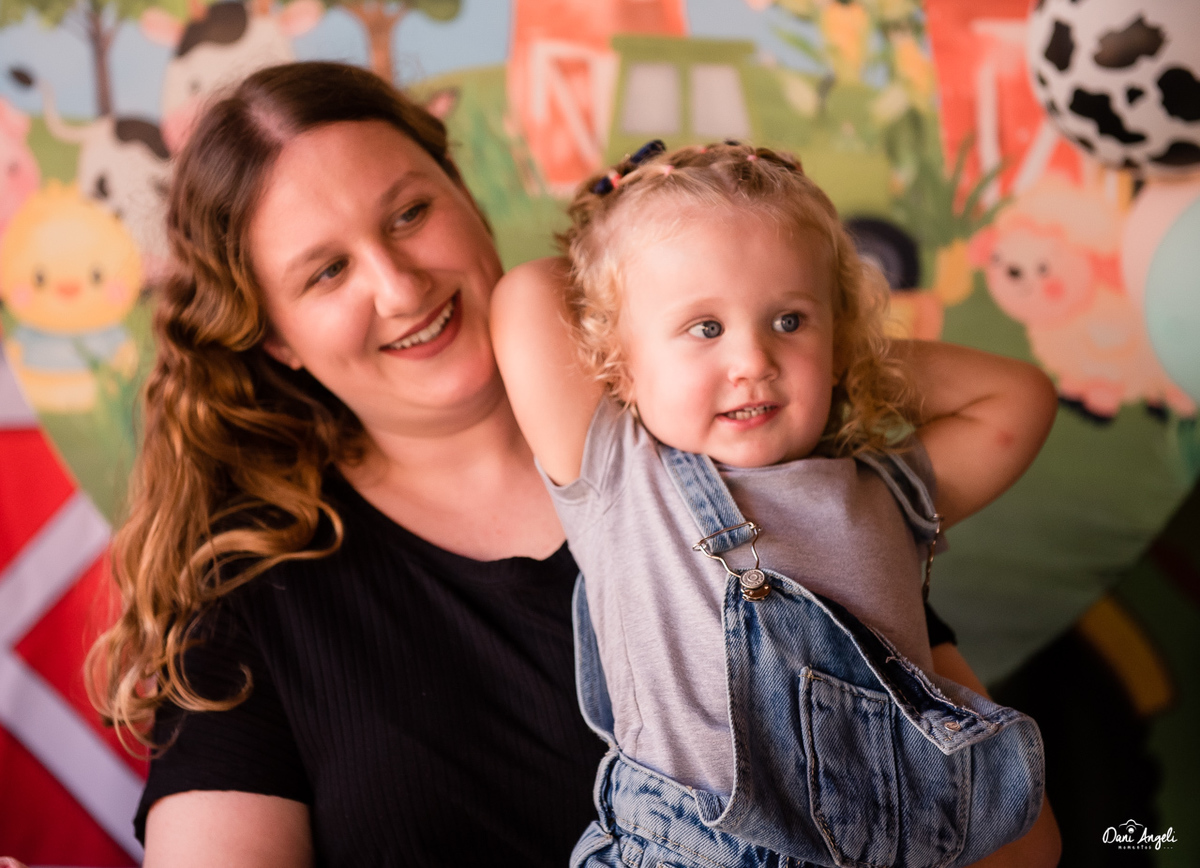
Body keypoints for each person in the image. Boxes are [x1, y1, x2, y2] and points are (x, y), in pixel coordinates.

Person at [78, 63, 1052, 868]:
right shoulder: (252, 599)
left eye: (410, 213)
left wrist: (779, 330)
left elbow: (1019, 841)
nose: (399, 285)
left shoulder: (748, 474)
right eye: (326, 271)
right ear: (277, 337)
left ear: (465, 195)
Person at [491, 142, 1062, 867]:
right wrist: (630, 199)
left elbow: (1018, 399)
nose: (754, 362)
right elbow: (528, 295)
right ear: (620, 365)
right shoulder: (621, 478)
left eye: (789, 321)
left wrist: (847, 357)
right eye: (706, 328)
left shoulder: (885, 495)